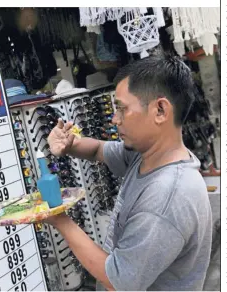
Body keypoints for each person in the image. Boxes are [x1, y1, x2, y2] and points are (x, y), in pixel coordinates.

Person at [45, 55, 212, 291]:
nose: (114, 119)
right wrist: (68, 144)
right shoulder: (146, 155)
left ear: (161, 110)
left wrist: (57, 218)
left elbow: (118, 281)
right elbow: (97, 150)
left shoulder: (166, 197)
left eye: (122, 109)